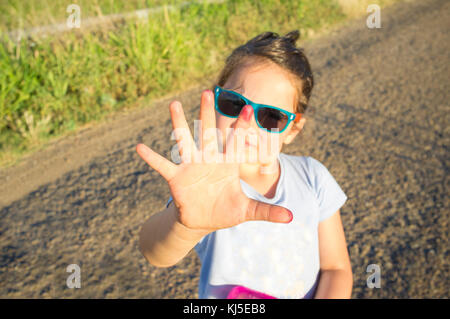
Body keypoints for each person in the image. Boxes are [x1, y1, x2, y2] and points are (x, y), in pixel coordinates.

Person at [136, 30, 353, 299]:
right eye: (233, 104)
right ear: (215, 102)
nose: (246, 122)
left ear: (293, 129)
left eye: (271, 116)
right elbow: (155, 253)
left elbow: (336, 268)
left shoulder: (313, 177)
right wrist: (184, 226)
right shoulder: (208, 185)